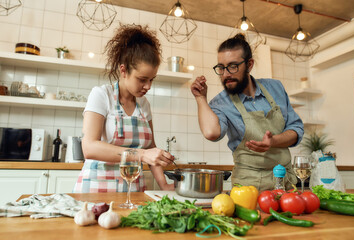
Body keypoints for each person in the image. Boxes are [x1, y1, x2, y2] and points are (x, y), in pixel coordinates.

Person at [190, 34, 304, 191]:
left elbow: (296, 128)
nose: (225, 74)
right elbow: (211, 133)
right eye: (221, 68)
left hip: (285, 182)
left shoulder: (275, 87)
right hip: (248, 187)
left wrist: (274, 141)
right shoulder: (221, 103)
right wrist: (200, 98)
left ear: (249, 65)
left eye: (232, 66)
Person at [73, 24, 175, 193]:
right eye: (142, 79)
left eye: (152, 79)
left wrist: (164, 184)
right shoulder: (101, 95)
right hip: (96, 189)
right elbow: (89, 147)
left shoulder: (144, 105)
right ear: (123, 70)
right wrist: (140, 155)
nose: (148, 86)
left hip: (133, 190)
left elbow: (151, 148)